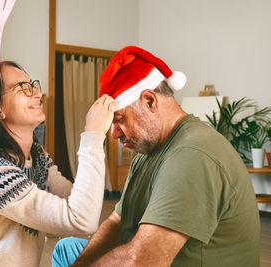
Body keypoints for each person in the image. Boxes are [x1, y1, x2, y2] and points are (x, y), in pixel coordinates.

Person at [52, 46, 260, 267]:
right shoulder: (148, 149)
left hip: (148, 260)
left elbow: (142, 260)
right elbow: (117, 221)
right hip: (142, 253)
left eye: (119, 119)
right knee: (67, 248)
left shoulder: (193, 155)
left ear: (150, 101)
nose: (113, 133)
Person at [0, 61, 118, 266]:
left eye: (33, 85)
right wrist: (93, 134)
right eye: (23, 88)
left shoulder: (36, 158)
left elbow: (80, 203)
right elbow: (81, 220)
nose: (37, 94)